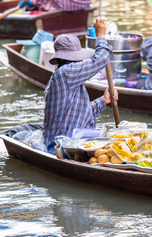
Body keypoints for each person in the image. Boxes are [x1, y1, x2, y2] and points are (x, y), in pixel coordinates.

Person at [44, 17, 118, 155]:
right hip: (62, 146)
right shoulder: (64, 73)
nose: (77, 60)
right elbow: (101, 59)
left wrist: (104, 100)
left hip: (75, 141)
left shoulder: (69, 77)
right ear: (61, 59)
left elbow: (81, 113)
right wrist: (100, 36)